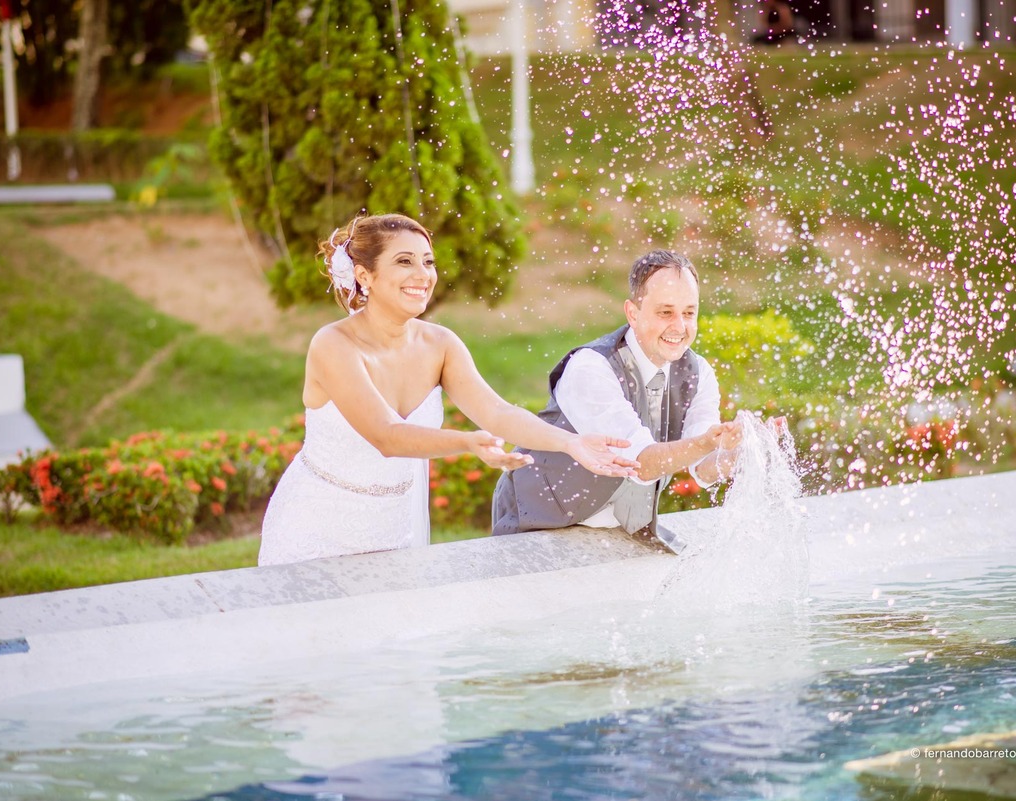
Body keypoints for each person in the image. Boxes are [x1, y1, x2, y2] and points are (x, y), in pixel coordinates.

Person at [258, 213, 639, 566]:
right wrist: (466, 442)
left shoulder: (440, 344)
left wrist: (570, 443)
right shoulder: (333, 345)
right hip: (315, 528)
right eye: (404, 261)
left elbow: (497, 413)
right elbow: (387, 437)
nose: (423, 274)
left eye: (428, 262)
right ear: (365, 275)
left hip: (393, 532)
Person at [491, 249, 751, 552]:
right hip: (536, 524)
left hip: (622, 534)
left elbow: (703, 470)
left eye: (689, 312)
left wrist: (740, 452)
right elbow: (638, 463)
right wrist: (708, 442)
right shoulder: (591, 367)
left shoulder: (699, 373)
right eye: (665, 312)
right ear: (633, 313)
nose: (680, 326)